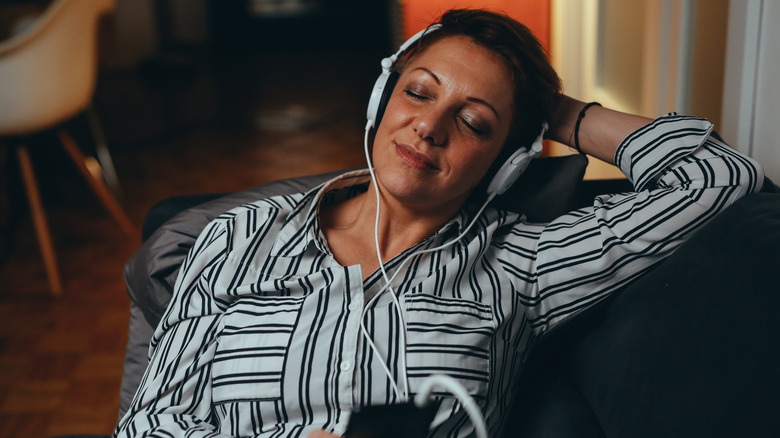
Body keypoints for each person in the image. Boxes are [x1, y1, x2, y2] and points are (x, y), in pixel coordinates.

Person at [114, 8, 763, 438]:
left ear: (507, 161)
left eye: (475, 121)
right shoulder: (240, 237)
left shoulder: (524, 266)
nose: (429, 126)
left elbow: (717, 178)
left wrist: (554, 112)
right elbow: (148, 423)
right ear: (382, 99)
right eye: (418, 92)